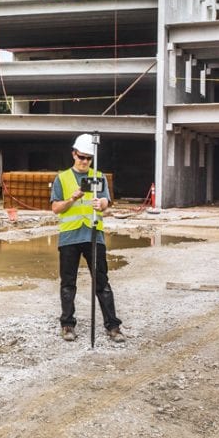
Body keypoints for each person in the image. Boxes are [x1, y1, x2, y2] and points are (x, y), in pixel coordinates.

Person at [49, 133, 125, 343]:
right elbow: (55, 208)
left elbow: (106, 203)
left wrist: (101, 204)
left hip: (94, 235)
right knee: (68, 283)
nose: (84, 161)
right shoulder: (62, 178)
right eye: (81, 157)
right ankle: (67, 324)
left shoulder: (98, 176)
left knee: (102, 283)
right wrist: (71, 199)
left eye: (88, 158)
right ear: (74, 154)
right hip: (70, 237)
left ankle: (113, 326)